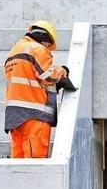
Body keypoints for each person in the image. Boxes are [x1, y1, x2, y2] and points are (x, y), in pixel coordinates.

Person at [4, 20, 71, 158]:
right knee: (35, 161)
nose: (48, 48)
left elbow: (29, 79)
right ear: (45, 38)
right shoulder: (37, 49)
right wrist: (62, 71)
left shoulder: (14, 51)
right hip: (34, 114)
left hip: (14, 115)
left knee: (18, 160)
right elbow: (48, 76)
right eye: (49, 45)